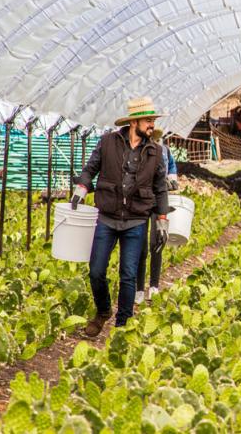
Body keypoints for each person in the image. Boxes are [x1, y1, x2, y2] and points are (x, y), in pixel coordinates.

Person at [71, 97, 169, 336]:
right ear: (134, 121)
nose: (152, 125)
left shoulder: (156, 152)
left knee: (128, 274)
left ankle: (122, 325)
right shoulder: (107, 143)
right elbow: (90, 169)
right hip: (107, 216)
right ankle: (103, 311)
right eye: (148, 120)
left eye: (153, 121)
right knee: (96, 270)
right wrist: (81, 188)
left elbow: (161, 187)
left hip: (136, 219)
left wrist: (162, 219)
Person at [135, 129, 178, 304]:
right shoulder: (139, 151)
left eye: (157, 138)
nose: (155, 140)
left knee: (157, 243)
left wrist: (171, 180)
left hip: (160, 201)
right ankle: (138, 288)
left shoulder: (165, 151)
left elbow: (172, 168)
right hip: (141, 201)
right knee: (141, 246)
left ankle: (154, 286)